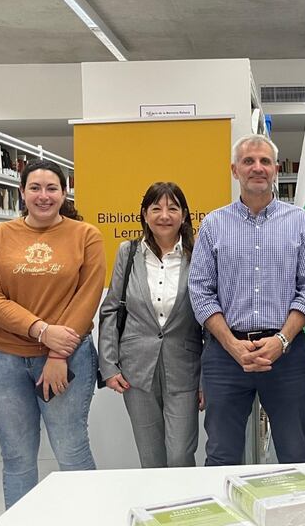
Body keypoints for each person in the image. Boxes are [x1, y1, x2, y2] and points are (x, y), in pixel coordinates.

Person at [0, 159, 105, 508]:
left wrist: (58, 353)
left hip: (67, 358)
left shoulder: (86, 236)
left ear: (64, 193)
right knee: (17, 457)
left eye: (52, 188)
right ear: (22, 192)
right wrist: (41, 330)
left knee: (71, 449)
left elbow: (88, 296)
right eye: (35, 188)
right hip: (3, 358)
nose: (43, 196)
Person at [189, 134, 305, 465]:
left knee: (295, 452)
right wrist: (232, 345)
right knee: (221, 453)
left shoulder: (302, 222)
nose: (257, 168)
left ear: (276, 169)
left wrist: (281, 340)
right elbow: (201, 290)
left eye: (265, 161)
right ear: (235, 170)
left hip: (287, 354)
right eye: (249, 161)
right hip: (226, 355)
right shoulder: (213, 225)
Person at [98, 182, 203, 468]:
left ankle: (185, 509)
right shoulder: (128, 252)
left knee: (181, 453)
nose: (164, 215)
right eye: (156, 208)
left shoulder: (198, 255)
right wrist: (108, 366)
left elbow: (209, 316)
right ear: (145, 214)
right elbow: (110, 310)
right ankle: (158, 511)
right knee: (150, 456)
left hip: (184, 366)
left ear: (184, 215)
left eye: (172, 208)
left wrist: (207, 377)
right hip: (136, 369)